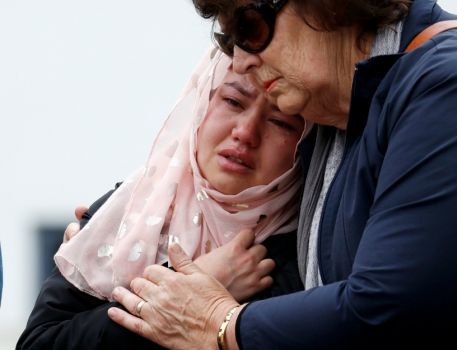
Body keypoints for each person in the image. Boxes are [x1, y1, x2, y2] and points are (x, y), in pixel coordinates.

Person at [105, 0, 457, 349]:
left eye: (249, 27)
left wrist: (220, 325)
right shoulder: (342, 121)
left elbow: (387, 308)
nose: (240, 59)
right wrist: (117, 233)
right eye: (229, 40)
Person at [17, 50, 310, 349]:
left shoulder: (308, 252)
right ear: (201, 102)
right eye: (233, 101)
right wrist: (191, 286)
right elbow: (39, 343)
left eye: (281, 122)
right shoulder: (133, 209)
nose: (246, 132)